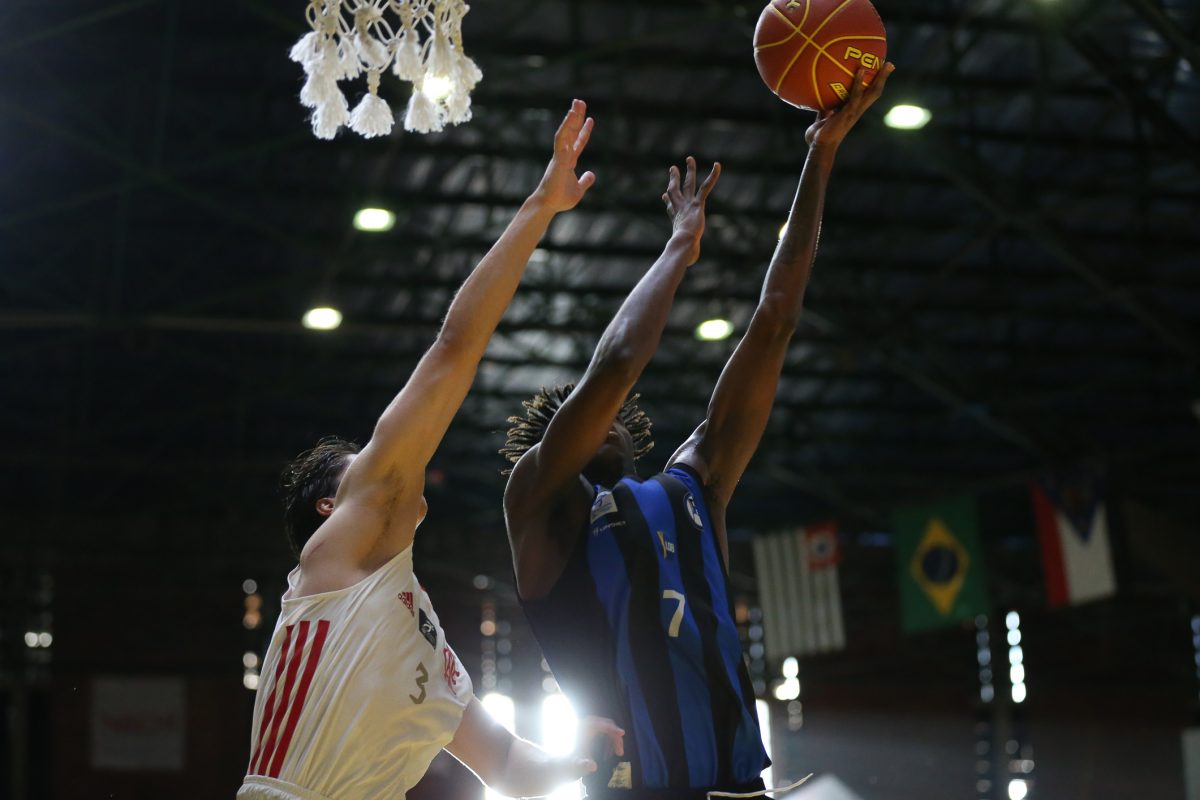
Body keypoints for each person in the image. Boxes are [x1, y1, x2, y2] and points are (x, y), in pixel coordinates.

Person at [500, 66, 894, 799]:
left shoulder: (695, 485)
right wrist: (679, 246)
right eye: (582, 415)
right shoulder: (542, 506)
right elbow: (617, 362)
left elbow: (775, 320)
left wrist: (820, 154)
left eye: (610, 414)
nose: (602, 418)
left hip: (741, 788)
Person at [239, 100, 624, 800]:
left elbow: (509, 767)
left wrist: (575, 759)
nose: (386, 456)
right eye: (362, 459)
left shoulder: (426, 640)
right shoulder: (341, 552)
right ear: (331, 506)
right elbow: (453, 350)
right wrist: (540, 206)